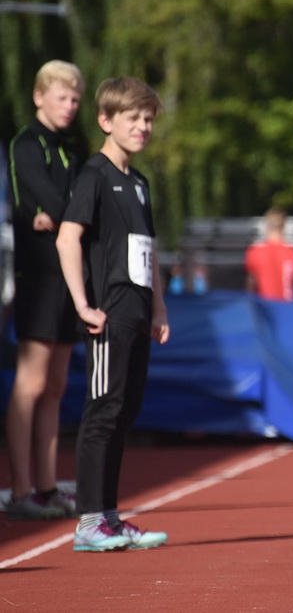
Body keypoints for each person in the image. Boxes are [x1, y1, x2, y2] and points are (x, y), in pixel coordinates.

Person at [55, 76, 170, 551]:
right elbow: (67, 237)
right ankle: (89, 523)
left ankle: (110, 518)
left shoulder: (139, 183)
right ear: (106, 121)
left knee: (124, 411)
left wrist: (160, 306)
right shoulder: (94, 175)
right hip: (108, 311)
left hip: (139, 313)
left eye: (148, 119)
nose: (143, 127)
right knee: (103, 412)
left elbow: (149, 251)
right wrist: (83, 303)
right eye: (133, 118)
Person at [4, 60, 85, 520]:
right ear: (39, 97)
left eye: (75, 99)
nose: (70, 106)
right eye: (62, 97)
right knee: (30, 383)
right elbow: (52, 202)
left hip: (68, 277)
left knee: (54, 386)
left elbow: (72, 208)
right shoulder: (26, 145)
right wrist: (61, 215)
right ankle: (19, 492)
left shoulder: (70, 152)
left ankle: (48, 486)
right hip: (39, 276)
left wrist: (67, 217)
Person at [244, 207, 293, 303]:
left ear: (267, 225)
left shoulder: (254, 252)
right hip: (288, 310)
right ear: (284, 226)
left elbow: (249, 290)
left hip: (264, 311)